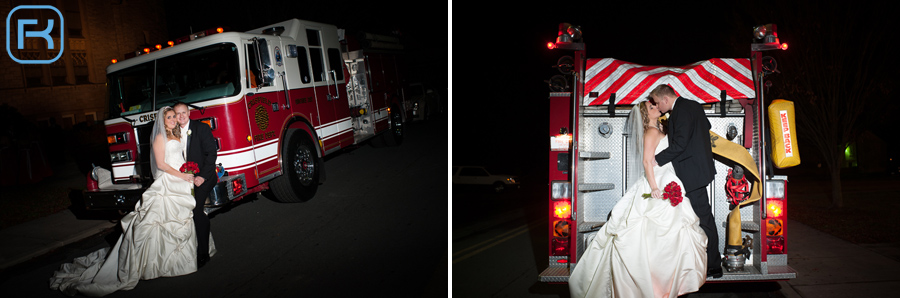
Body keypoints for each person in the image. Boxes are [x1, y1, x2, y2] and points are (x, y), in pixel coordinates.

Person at [49, 106, 202, 296]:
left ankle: (180, 261)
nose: (172, 119)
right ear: (162, 121)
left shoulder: (178, 135)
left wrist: (188, 173)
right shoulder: (160, 138)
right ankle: (155, 265)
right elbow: (161, 164)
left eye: (173, 116)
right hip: (168, 182)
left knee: (183, 219)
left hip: (181, 181)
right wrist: (181, 175)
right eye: (169, 117)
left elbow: (181, 157)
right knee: (157, 221)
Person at [569, 100, 708, 298]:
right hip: (659, 181)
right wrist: (654, 188)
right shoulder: (651, 133)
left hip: (668, 177)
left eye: (655, 105)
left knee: (671, 233)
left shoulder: (659, 128)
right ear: (645, 115)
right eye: (651, 108)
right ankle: (657, 282)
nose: (656, 108)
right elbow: (646, 161)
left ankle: (666, 281)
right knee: (656, 233)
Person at [650, 84, 723, 278]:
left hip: (692, 173)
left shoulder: (680, 111)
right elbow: (704, 127)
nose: (657, 107)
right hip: (698, 170)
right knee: (700, 217)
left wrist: (656, 160)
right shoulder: (694, 106)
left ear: (665, 99)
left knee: (704, 218)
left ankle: (714, 266)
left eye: (657, 103)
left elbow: (680, 143)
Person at [173, 102, 218, 268]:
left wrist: (202, 178)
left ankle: (203, 253)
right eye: (178, 114)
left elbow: (211, 154)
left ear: (189, 112)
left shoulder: (201, 128)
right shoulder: (173, 132)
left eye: (184, 112)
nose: (181, 116)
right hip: (184, 178)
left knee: (196, 210)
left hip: (204, 177)